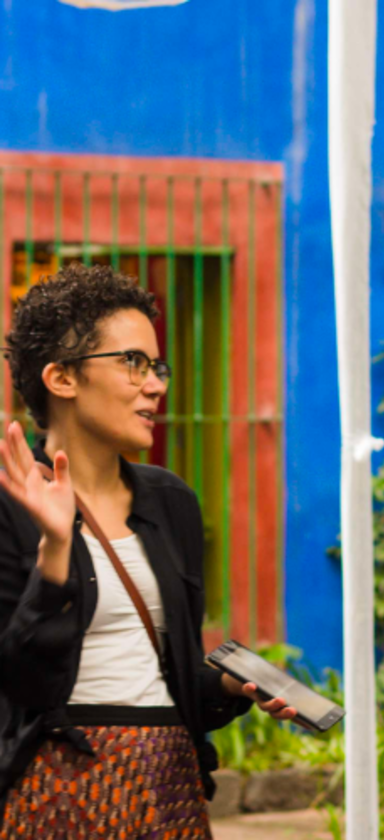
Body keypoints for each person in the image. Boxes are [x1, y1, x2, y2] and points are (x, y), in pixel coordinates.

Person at [0, 263, 297, 839]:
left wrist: (233, 685)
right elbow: (22, 683)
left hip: (169, 784)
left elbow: (173, 674)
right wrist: (57, 547)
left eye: (156, 366)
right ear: (62, 378)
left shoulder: (170, 501)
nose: (156, 384)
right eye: (132, 363)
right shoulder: (11, 507)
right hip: (60, 788)